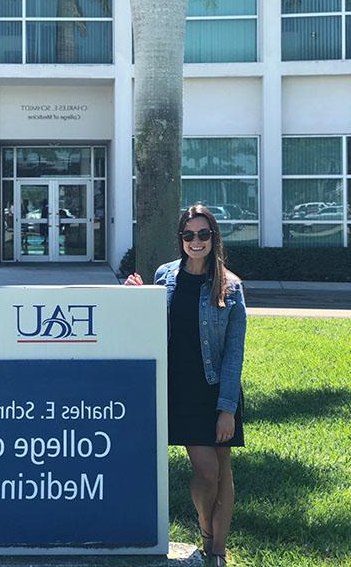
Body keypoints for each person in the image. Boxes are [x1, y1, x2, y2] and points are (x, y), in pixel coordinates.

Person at [126, 204, 246, 567]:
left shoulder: (231, 286)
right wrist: (138, 295)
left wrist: (227, 408)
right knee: (206, 471)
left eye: (204, 234)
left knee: (222, 469)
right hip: (179, 389)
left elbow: (234, 355)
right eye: (189, 235)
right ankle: (206, 528)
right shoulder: (165, 277)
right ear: (181, 240)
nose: (197, 241)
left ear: (214, 238)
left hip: (215, 388)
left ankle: (217, 551)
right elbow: (148, 326)